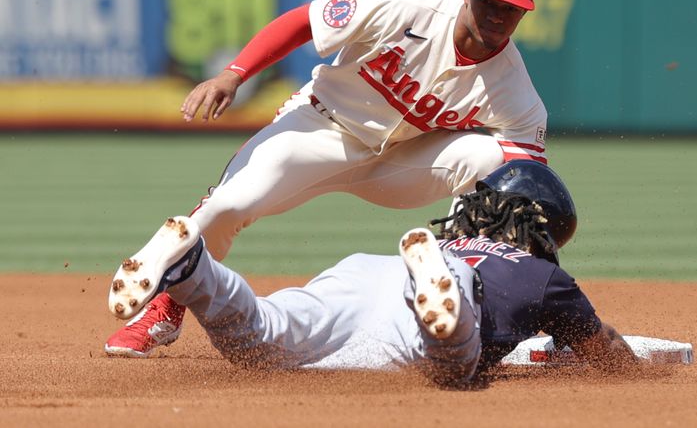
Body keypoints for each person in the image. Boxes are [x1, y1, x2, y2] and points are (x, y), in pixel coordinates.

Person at [104, 0, 550, 358]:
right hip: (321, 127)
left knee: (494, 164)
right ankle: (165, 309)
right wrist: (234, 74)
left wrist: (539, 291)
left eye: (510, 8)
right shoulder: (406, 4)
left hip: (399, 163)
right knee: (227, 205)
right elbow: (303, 21)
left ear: (524, 13)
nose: (496, 14)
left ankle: (462, 300)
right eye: (488, 0)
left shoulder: (517, 94)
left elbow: (527, 197)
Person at [107, 160, 637, 384]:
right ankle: (442, 309)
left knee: (260, 337)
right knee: (453, 362)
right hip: (442, 291)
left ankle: (194, 267)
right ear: (538, 227)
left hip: (367, 273)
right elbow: (605, 354)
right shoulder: (540, 275)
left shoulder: (458, 235)